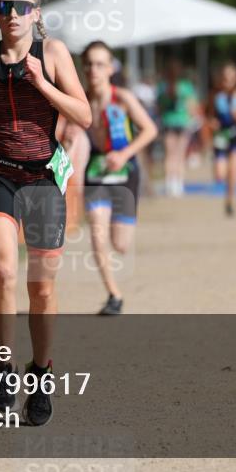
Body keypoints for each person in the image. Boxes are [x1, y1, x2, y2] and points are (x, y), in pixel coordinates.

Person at [0, 0, 91, 426]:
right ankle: (6, 367)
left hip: (43, 180)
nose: (11, 15)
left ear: (36, 13)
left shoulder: (52, 54)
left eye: (20, 7)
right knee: (4, 270)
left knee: (42, 287)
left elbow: (83, 115)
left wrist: (41, 83)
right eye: (2, 7)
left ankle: (42, 372)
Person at [80, 41, 158, 315]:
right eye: (89, 63)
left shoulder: (122, 98)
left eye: (100, 64)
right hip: (96, 169)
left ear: (111, 68)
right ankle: (114, 295)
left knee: (121, 244)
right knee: (97, 234)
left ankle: (115, 288)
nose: (94, 70)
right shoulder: (80, 100)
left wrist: (125, 154)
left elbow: (150, 130)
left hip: (124, 171)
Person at [156, 59, 199, 197]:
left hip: (168, 122)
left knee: (169, 154)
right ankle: (179, 184)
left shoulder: (162, 87)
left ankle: (170, 183)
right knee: (180, 154)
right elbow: (192, 106)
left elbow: (159, 107)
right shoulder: (186, 86)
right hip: (182, 122)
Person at [207, 62, 236, 216]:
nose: (228, 80)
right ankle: (225, 180)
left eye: (231, 77)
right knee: (220, 174)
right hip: (220, 136)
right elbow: (208, 115)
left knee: (233, 170)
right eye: (225, 77)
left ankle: (229, 201)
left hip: (235, 134)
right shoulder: (215, 95)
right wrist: (212, 123)